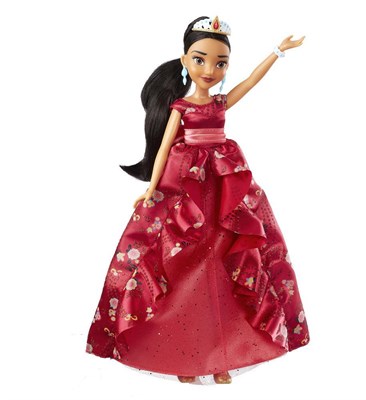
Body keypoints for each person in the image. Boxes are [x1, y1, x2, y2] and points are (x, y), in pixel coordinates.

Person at [86, 15, 309, 385]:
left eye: (220, 63)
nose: (210, 70)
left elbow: (250, 82)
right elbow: (162, 149)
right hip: (186, 186)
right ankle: (183, 359)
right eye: (200, 59)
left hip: (223, 187)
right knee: (180, 269)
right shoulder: (180, 107)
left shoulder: (220, 102)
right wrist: (151, 188)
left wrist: (277, 52)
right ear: (185, 60)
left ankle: (223, 358)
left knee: (226, 265)